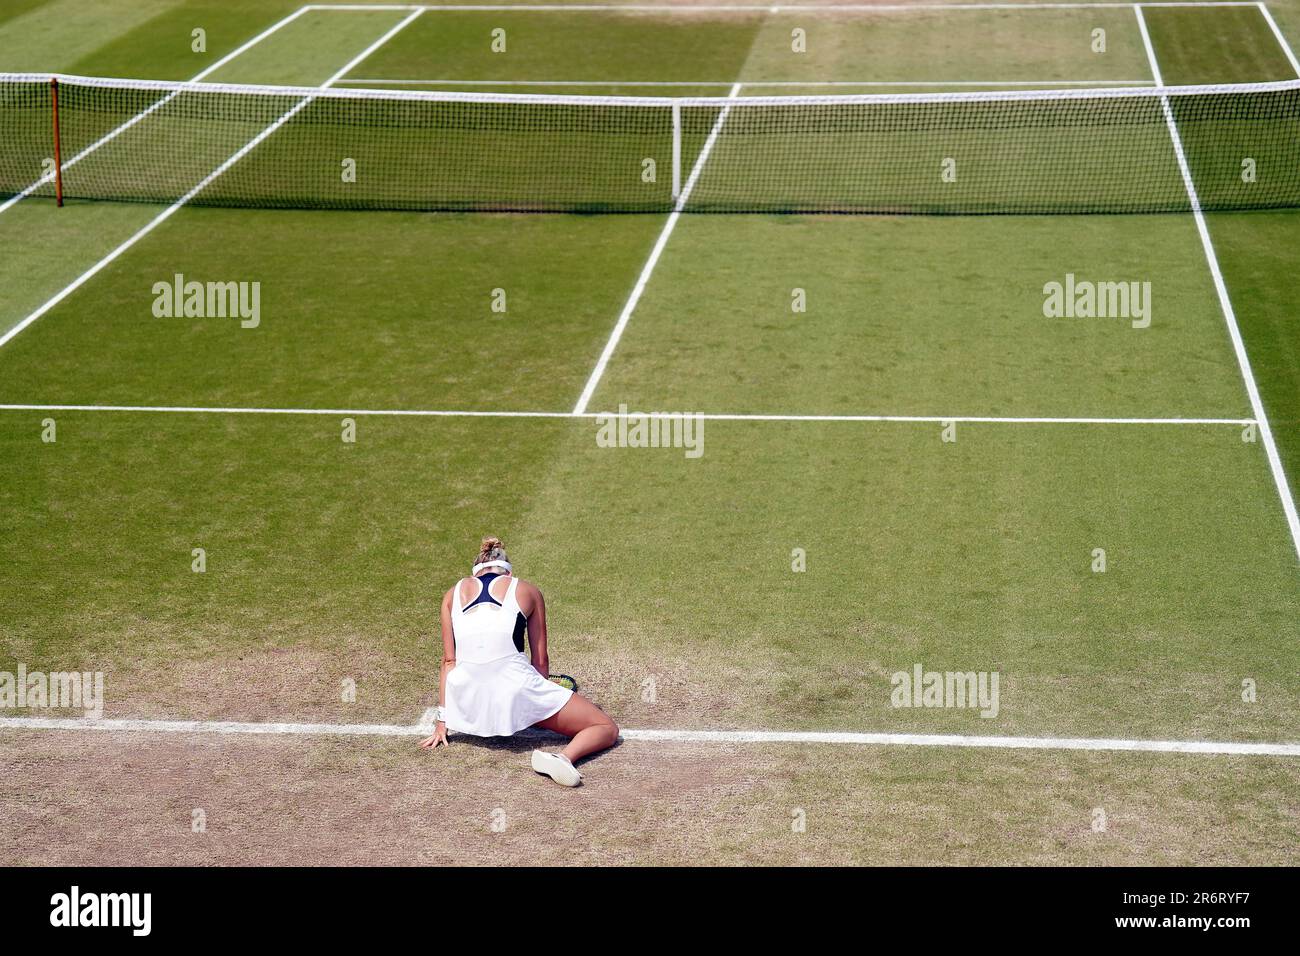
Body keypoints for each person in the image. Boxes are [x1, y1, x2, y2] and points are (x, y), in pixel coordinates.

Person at [419, 536, 619, 786]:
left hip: (468, 704)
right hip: (515, 691)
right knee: (605, 727)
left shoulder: (450, 595)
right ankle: (563, 758)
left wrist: (442, 723)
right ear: (507, 569)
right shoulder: (528, 590)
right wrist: (540, 701)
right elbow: (541, 661)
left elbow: (449, 661)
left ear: (476, 569)